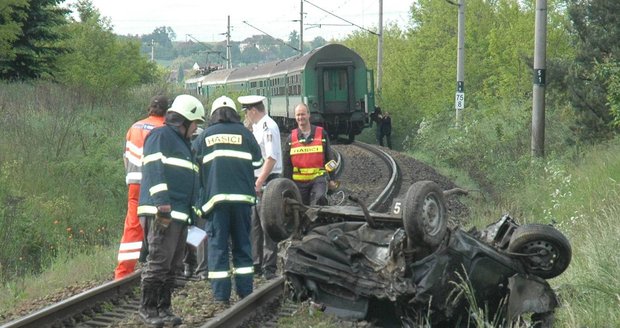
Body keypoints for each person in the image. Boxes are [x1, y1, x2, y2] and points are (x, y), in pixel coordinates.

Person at [137, 94, 204, 327]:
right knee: (158, 263)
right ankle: (147, 309)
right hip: (162, 214)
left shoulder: (184, 144)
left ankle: (164, 308)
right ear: (183, 120)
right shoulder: (160, 136)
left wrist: (192, 214)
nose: (196, 128)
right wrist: (162, 206)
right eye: (195, 123)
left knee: (173, 265)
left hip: (179, 215)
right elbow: (154, 169)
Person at [194, 96, 263, 305]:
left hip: (216, 203)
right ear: (234, 113)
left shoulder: (204, 136)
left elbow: (194, 167)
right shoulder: (245, 134)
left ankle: (221, 296)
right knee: (243, 245)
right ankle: (245, 292)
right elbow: (259, 161)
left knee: (218, 247)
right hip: (242, 202)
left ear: (213, 114)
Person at [114, 95, 169, 281]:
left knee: (132, 226)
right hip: (154, 184)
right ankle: (158, 267)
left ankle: (123, 272)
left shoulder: (134, 127)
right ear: (166, 111)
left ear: (150, 109)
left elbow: (125, 157)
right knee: (162, 224)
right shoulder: (164, 129)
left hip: (134, 184)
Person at [238, 95, 282, 280]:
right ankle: (256, 262)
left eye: (247, 112)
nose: (246, 116)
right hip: (256, 181)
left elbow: (271, 158)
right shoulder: (257, 127)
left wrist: (258, 182)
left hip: (266, 181)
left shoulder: (268, 126)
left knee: (266, 224)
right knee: (254, 224)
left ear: (253, 110)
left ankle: (268, 265)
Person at [283, 103, 337, 206]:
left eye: (303, 114)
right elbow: (287, 165)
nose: (300, 117)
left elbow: (331, 160)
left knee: (319, 200)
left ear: (308, 115)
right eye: (298, 115)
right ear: (295, 117)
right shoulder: (291, 138)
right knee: (300, 208)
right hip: (298, 183)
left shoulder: (321, 134)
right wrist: (287, 184)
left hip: (318, 180)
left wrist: (332, 179)